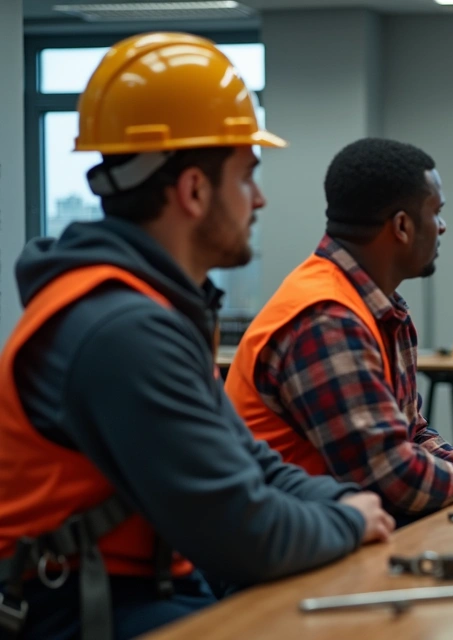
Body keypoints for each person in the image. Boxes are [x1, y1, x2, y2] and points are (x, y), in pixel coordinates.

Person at [0, 33, 392, 640]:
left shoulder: (146, 307)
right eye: (247, 175)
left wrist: (343, 502)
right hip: (81, 611)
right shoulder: (121, 331)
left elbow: (251, 463)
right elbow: (245, 535)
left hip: (140, 588)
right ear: (193, 190)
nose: (259, 199)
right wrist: (347, 521)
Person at [225, 139, 453, 527]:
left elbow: (409, 434)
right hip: (284, 553)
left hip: (337, 533)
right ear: (402, 226)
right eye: (437, 212)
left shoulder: (378, 308)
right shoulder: (327, 319)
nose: (442, 226)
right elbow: (394, 477)